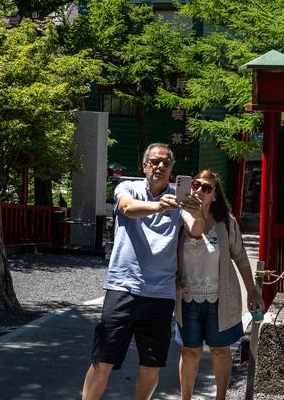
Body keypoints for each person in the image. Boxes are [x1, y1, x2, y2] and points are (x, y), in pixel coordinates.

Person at [82, 143, 206, 400]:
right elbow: (127, 208)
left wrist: (198, 210)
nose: (160, 166)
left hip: (160, 293)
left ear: (172, 169)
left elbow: (195, 230)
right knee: (102, 359)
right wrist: (159, 206)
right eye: (154, 161)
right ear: (144, 165)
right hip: (122, 288)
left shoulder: (178, 199)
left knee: (151, 364)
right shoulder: (128, 188)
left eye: (166, 163)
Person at [176, 169, 263, 400]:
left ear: (215, 195)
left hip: (219, 297)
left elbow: (241, 256)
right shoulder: (178, 217)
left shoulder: (225, 223)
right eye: (196, 185)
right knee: (190, 351)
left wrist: (252, 290)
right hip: (187, 297)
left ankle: (220, 398)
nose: (199, 190)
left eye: (207, 188)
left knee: (220, 350)